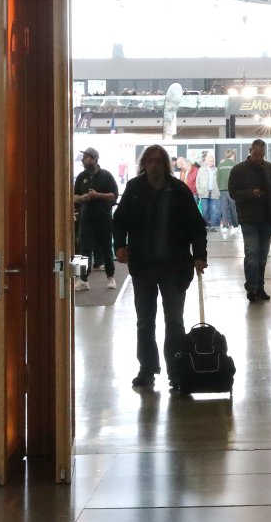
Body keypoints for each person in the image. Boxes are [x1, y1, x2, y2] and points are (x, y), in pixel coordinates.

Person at [112, 145, 208, 389]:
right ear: (144, 164)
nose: (153, 165)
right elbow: (119, 220)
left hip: (175, 267)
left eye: (158, 161)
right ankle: (147, 369)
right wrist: (119, 245)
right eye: (150, 161)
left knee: (174, 321)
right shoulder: (134, 188)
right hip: (143, 266)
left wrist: (199, 255)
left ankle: (176, 371)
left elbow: (196, 225)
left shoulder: (179, 190)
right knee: (145, 321)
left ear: (165, 164)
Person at [228, 138, 271, 302]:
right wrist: (250, 194)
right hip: (249, 219)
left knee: (263, 257)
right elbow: (233, 193)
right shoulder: (238, 170)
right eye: (256, 154)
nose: (259, 157)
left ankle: (260, 288)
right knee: (252, 254)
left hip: (268, 218)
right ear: (250, 151)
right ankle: (251, 288)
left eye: (261, 154)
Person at [73, 147, 119, 291]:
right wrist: (82, 198)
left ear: (94, 159)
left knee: (107, 248)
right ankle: (82, 279)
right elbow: (73, 196)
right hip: (86, 218)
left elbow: (114, 195)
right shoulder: (81, 176)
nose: (82, 160)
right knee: (83, 249)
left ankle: (110, 276)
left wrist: (98, 195)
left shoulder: (106, 175)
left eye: (85, 157)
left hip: (104, 217)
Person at [194, 151, 220, 228]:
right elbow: (197, 181)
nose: (210, 162)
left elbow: (220, 181)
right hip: (204, 193)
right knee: (205, 211)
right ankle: (206, 225)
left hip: (214, 193)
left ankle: (213, 226)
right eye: (209, 161)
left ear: (214, 161)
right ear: (206, 161)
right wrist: (199, 191)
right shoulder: (201, 169)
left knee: (214, 211)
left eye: (212, 161)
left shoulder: (217, 170)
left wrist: (219, 192)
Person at [215, 148, 238, 234]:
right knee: (233, 208)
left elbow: (217, 177)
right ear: (233, 155)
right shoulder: (235, 164)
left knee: (224, 208)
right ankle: (235, 226)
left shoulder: (220, 165)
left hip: (222, 189)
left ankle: (225, 226)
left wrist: (220, 187)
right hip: (232, 189)